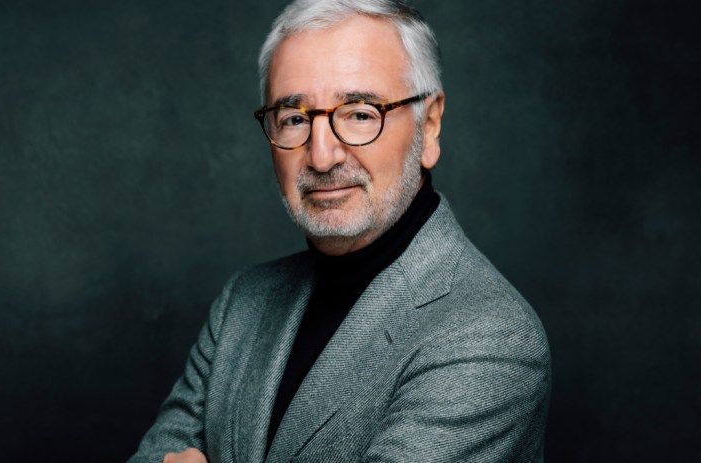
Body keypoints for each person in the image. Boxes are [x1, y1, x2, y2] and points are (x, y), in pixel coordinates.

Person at [128, 1, 550, 462]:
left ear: (428, 127)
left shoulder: (489, 336)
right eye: (295, 118)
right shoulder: (243, 302)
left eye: (360, 113)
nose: (322, 156)